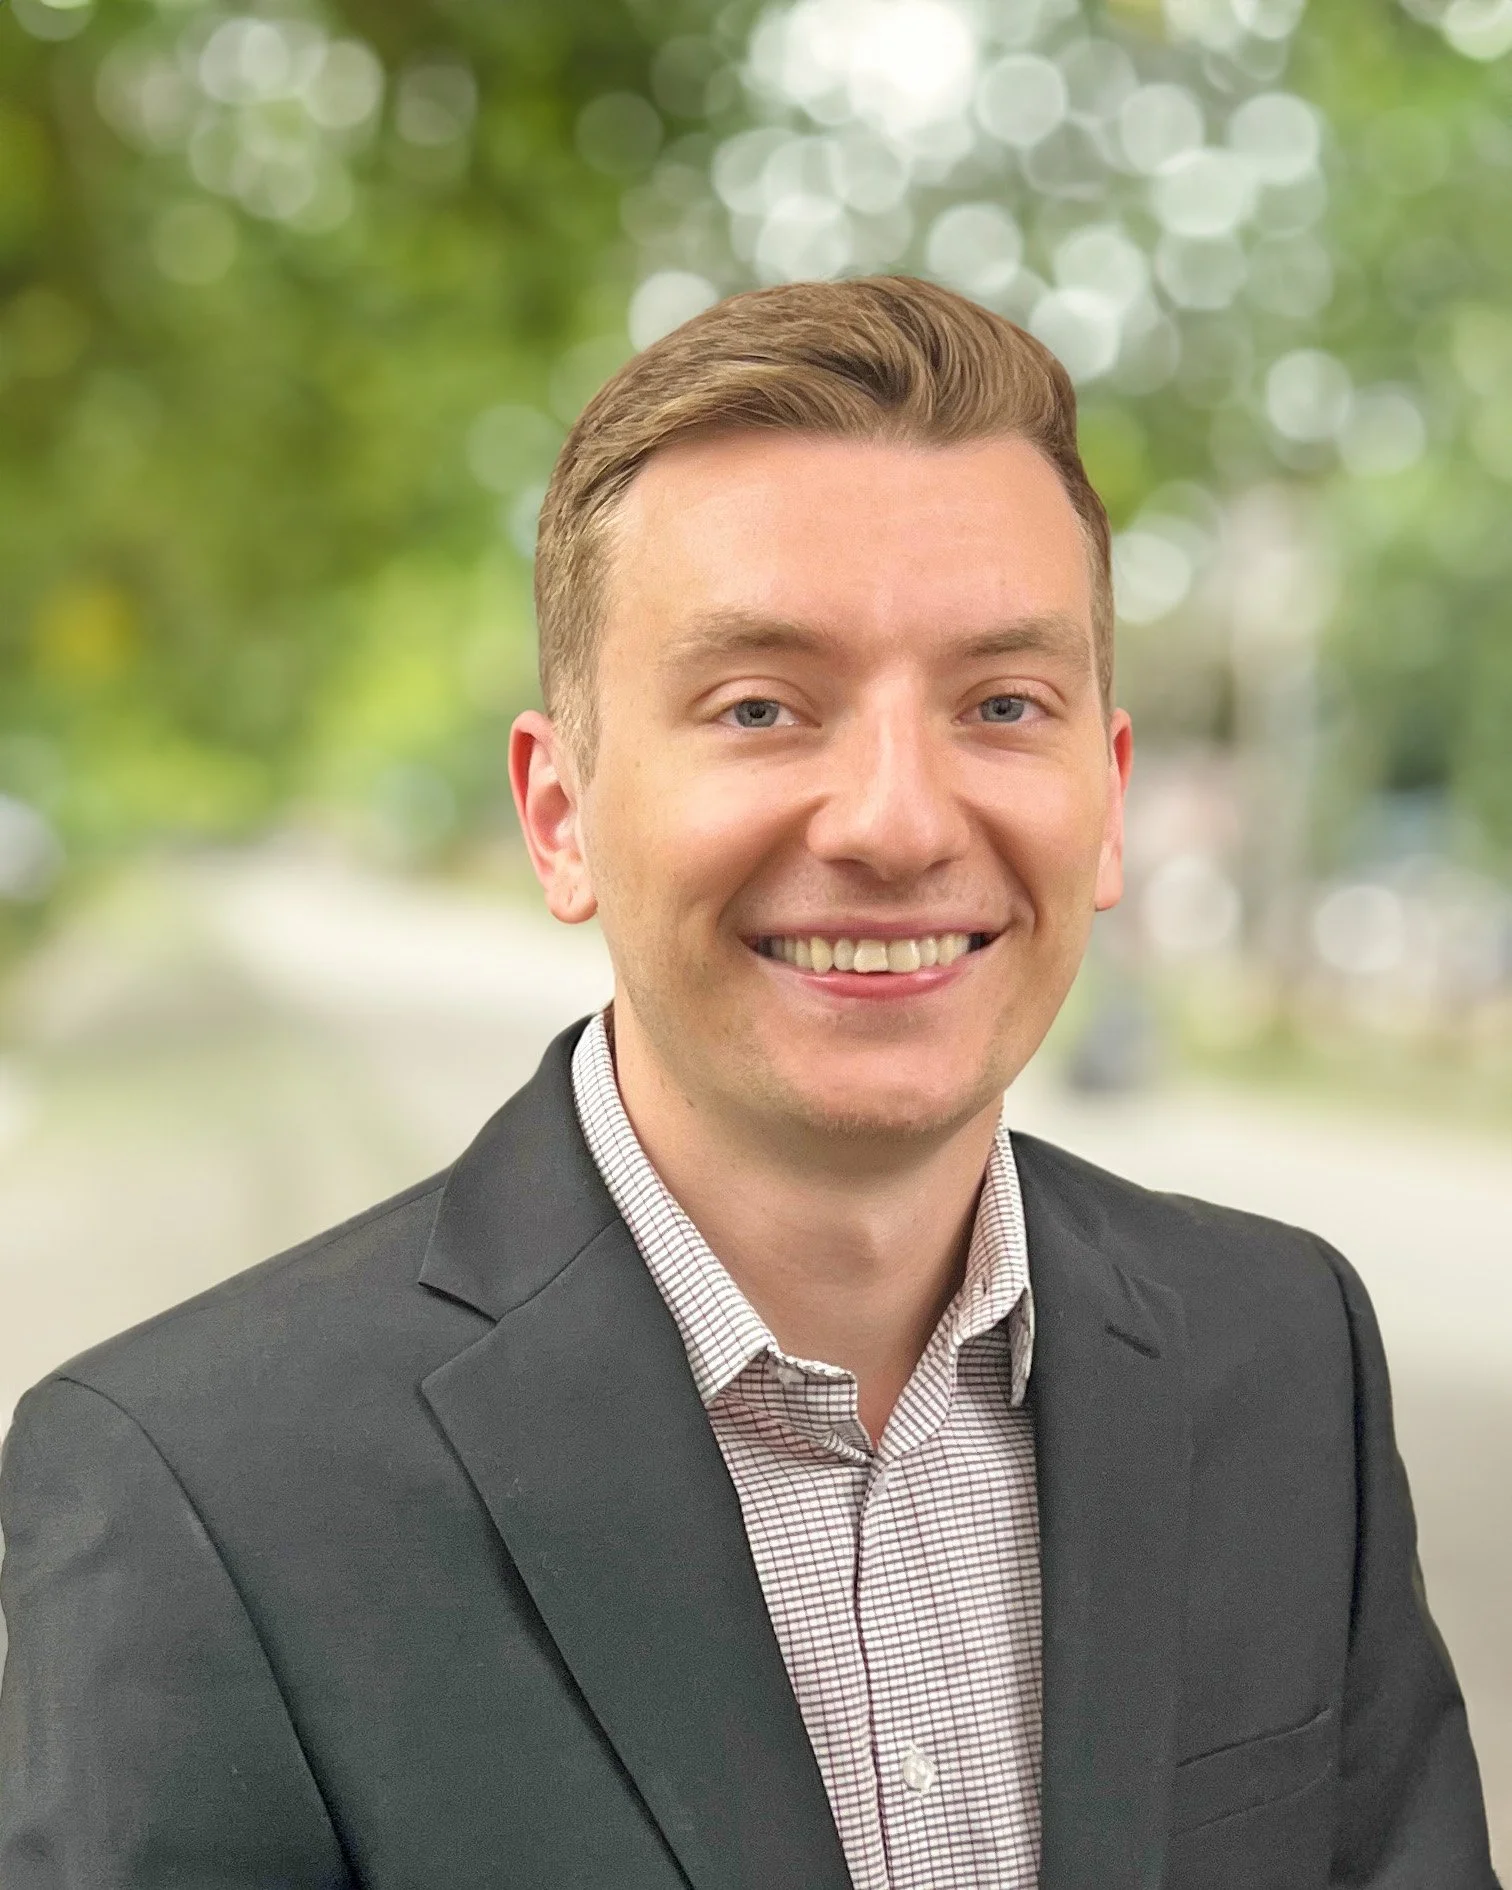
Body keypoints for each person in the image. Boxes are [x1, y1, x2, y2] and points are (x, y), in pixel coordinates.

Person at [0, 277, 1498, 1890]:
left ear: (1110, 798)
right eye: (763, 707)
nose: (898, 822)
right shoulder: (192, 1492)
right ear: (561, 814)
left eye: (1003, 705)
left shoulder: (1286, 1353)